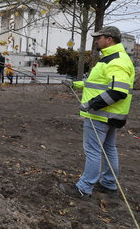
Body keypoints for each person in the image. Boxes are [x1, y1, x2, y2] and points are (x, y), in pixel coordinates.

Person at [60, 26, 135, 198]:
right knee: (109, 149)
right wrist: (75, 84)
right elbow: (96, 84)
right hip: (110, 114)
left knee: (93, 150)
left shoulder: (116, 61)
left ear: (109, 39)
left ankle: (84, 188)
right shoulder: (109, 59)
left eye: (98, 37)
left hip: (101, 114)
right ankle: (108, 183)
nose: (96, 40)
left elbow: (118, 91)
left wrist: (91, 105)